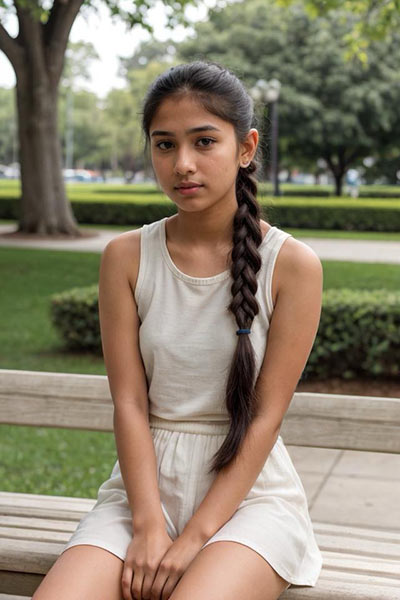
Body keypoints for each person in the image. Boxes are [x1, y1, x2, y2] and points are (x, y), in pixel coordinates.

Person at [33, 60, 323, 600]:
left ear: (246, 147)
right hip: (141, 494)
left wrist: (194, 537)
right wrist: (147, 525)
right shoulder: (125, 257)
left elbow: (264, 418)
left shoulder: (293, 265)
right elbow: (130, 403)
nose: (183, 164)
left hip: (249, 501)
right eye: (164, 145)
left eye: (204, 141)